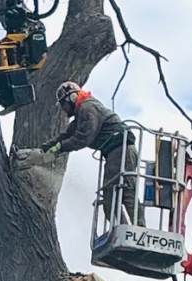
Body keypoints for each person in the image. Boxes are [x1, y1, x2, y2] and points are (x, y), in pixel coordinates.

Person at [43, 82, 137, 222]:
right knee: (119, 194)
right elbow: (66, 135)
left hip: (120, 150)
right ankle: (128, 230)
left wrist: (60, 147)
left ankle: (129, 231)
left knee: (116, 195)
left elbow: (83, 138)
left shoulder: (88, 108)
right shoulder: (83, 111)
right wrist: (43, 148)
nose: (62, 108)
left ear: (72, 97)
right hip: (118, 151)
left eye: (63, 103)